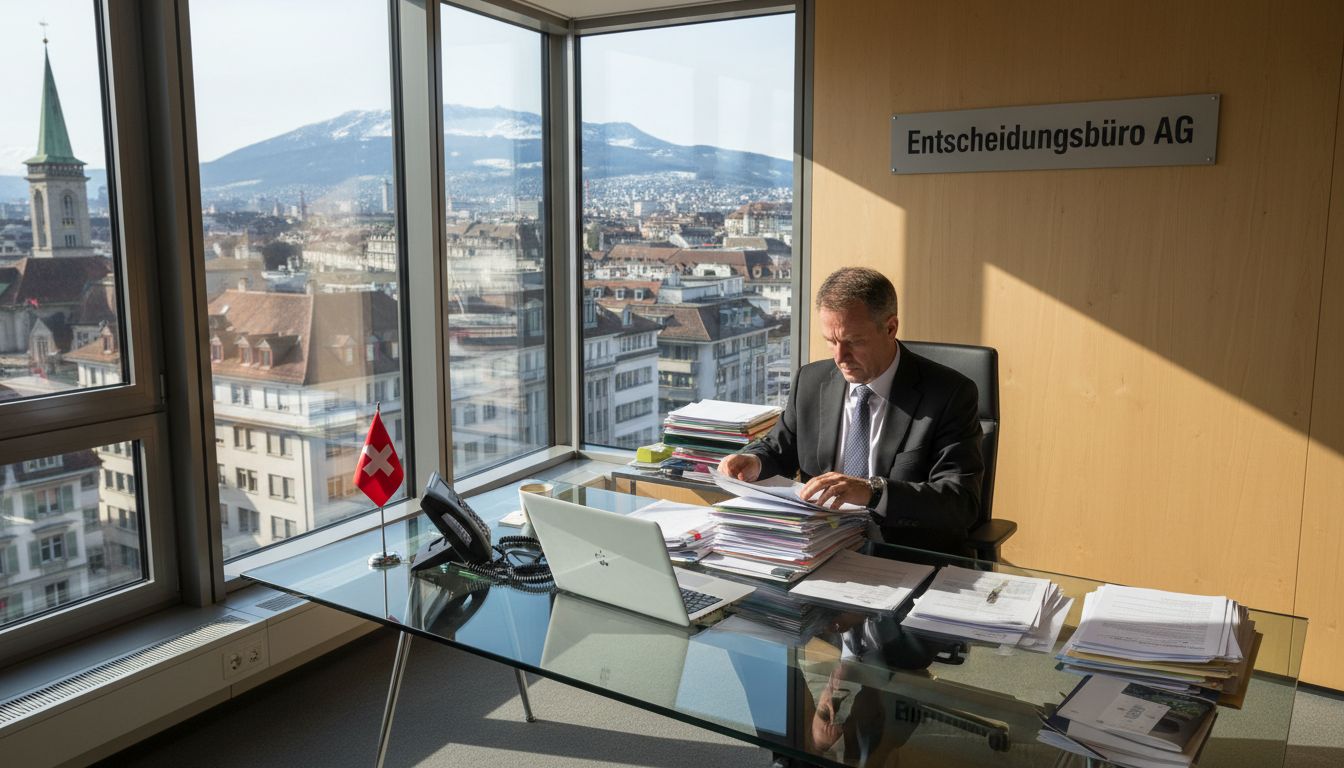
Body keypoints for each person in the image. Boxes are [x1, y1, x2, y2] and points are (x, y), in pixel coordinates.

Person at [718, 267, 984, 556]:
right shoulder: (811, 381)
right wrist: (753, 459)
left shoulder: (949, 394)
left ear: (891, 328)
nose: (839, 357)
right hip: (819, 549)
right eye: (831, 342)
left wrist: (874, 491)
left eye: (853, 342)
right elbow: (779, 448)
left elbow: (961, 502)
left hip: (904, 556)